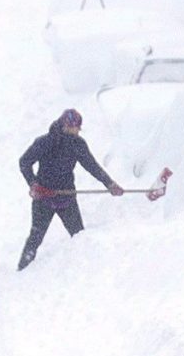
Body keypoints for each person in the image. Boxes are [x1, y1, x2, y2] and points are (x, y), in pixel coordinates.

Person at [17, 108, 121, 269]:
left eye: (79, 128)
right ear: (66, 126)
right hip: (44, 197)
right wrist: (33, 184)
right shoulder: (45, 142)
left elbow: (91, 166)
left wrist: (109, 184)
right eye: (76, 128)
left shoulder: (77, 144)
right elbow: (24, 162)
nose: (78, 131)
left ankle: (84, 270)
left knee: (79, 235)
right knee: (36, 237)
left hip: (66, 197)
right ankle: (22, 269)